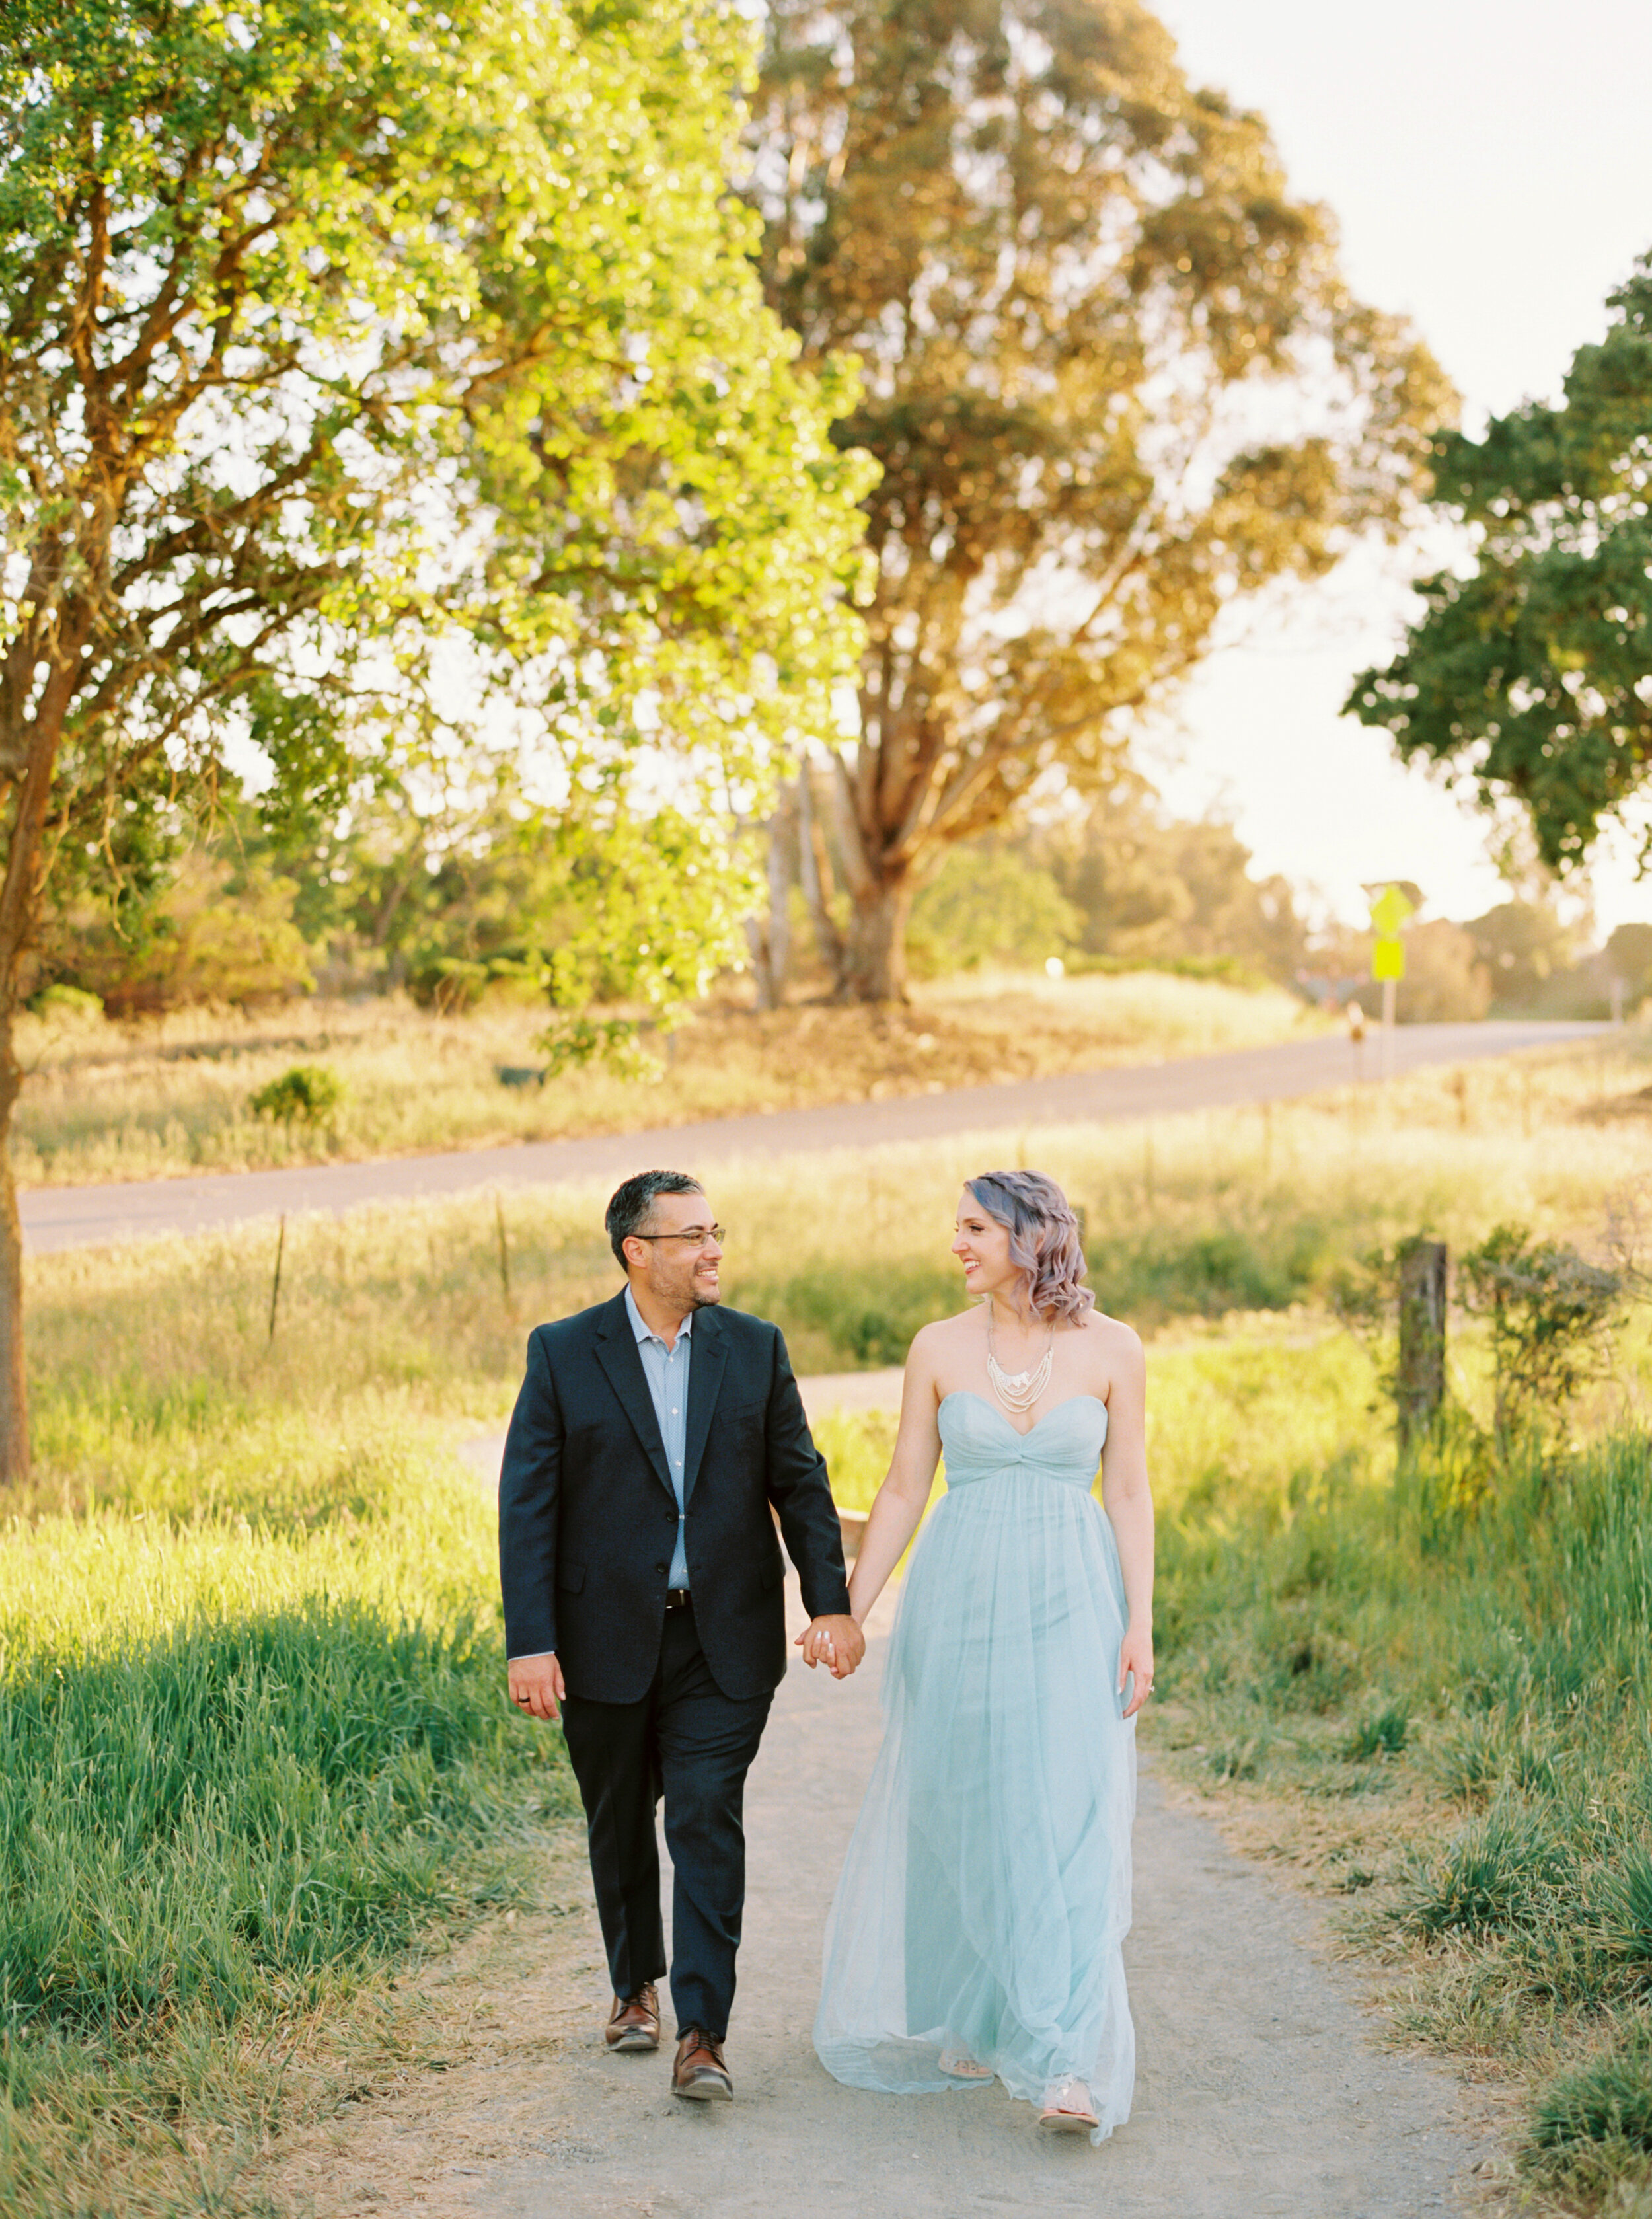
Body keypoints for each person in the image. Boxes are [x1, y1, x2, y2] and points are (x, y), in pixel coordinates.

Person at [500, 1169, 865, 2103]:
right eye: (693, 1235)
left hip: (724, 1638)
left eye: (718, 1232)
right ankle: (635, 1982)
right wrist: (529, 1641)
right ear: (638, 1250)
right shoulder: (563, 1352)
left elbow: (802, 1481)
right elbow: (527, 1506)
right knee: (619, 1816)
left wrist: (830, 1602)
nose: (714, 1251)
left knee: (704, 1813)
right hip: (598, 1637)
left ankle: (703, 2029)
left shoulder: (754, 1347)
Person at [811, 1168, 1153, 2141]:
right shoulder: (936, 1348)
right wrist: (848, 1611)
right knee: (967, 1797)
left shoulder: (1115, 1348)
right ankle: (989, 2002)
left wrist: (1141, 1621)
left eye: (972, 1227)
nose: (955, 1244)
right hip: (956, 1599)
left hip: (1073, 1599)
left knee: (1063, 1802)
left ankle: (1064, 2055)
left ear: (1026, 1232)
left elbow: (1127, 1491)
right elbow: (905, 1490)